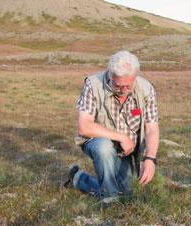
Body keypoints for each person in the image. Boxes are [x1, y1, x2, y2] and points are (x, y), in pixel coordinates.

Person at [65, 50, 160, 201]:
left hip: (129, 152)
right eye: (118, 85)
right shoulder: (93, 84)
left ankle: (78, 178)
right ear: (110, 74)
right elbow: (84, 126)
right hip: (98, 142)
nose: (123, 90)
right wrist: (121, 137)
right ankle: (110, 199)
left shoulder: (146, 89)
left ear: (135, 76)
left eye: (128, 86)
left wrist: (150, 159)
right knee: (104, 148)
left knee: (127, 191)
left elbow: (152, 129)